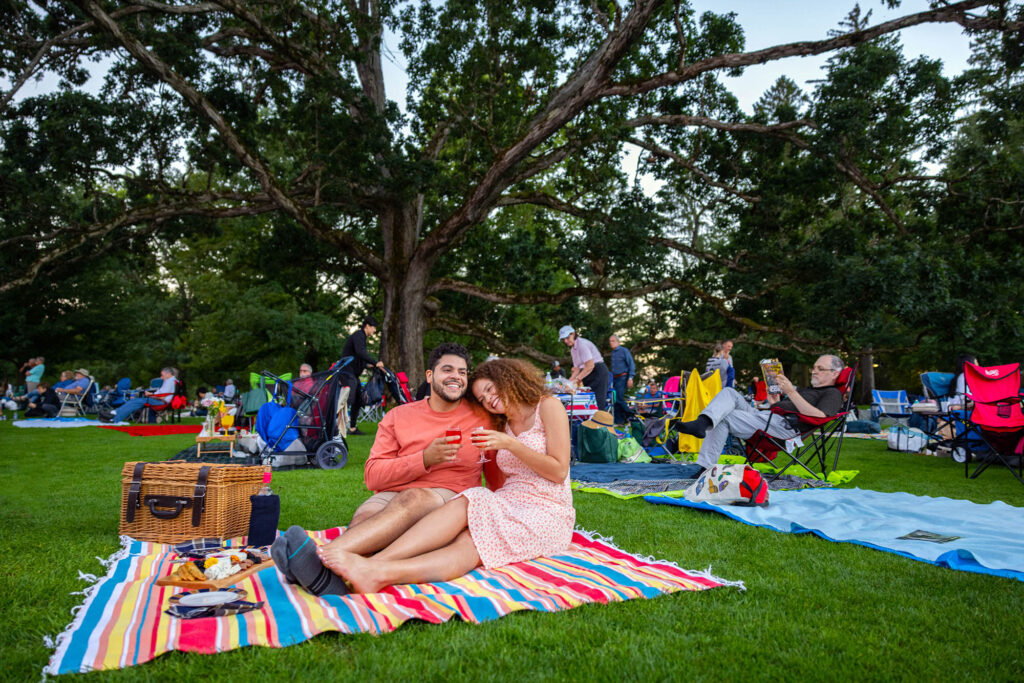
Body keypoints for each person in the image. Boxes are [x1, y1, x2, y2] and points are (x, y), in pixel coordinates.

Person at [285, 358, 574, 596]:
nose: (488, 399)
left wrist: (510, 445)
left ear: (507, 377)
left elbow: (559, 471)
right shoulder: (499, 422)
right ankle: (337, 568)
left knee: (473, 526)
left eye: (489, 389)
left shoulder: (547, 406)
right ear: (430, 375)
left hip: (547, 507)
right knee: (471, 522)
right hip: (510, 500)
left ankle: (369, 567)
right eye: (483, 397)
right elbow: (500, 481)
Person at [267, 343, 494, 595]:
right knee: (366, 520)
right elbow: (373, 476)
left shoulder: (482, 417)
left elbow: (498, 467)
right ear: (430, 376)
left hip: (449, 496)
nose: (456, 377)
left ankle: (323, 557)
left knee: (413, 498)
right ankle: (328, 580)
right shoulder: (399, 416)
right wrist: (424, 459)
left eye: (462, 372)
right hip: (394, 494)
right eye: (448, 369)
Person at [679, 354, 847, 471]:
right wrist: (774, 402)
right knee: (730, 393)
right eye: (814, 367)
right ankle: (702, 422)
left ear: (835, 373)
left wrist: (791, 392)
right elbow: (792, 407)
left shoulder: (832, 393)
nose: (814, 371)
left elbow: (820, 416)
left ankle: (704, 468)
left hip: (783, 429)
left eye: (820, 368)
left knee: (725, 417)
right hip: (769, 418)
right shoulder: (810, 390)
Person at [340, 316, 385, 436]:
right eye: (374, 328)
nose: (375, 331)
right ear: (367, 326)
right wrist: (376, 362)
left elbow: (358, 357)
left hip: (353, 374)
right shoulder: (359, 335)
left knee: (358, 400)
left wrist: (368, 365)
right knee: (348, 399)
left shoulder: (362, 338)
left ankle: (353, 428)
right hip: (346, 372)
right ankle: (333, 425)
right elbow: (360, 352)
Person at [559, 325, 610, 412]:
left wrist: (577, 379)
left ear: (574, 334)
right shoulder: (573, 350)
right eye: (564, 339)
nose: (566, 341)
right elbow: (577, 369)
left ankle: (601, 424)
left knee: (597, 402)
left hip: (598, 371)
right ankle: (586, 424)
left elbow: (590, 365)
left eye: (567, 337)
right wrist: (568, 382)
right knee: (586, 401)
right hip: (588, 372)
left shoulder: (582, 344)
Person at [102, 367, 177, 423]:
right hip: (159, 400)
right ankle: (115, 416)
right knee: (135, 401)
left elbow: (162, 396)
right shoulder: (172, 381)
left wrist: (150, 395)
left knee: (135, 402)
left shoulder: (170, 382)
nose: (161, 377)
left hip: (161, 402)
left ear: (169, 374)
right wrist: (151, 394)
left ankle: (115, 417)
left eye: (162, 375)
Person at [608, 334, 636, 426]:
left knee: (619, 398)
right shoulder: (613, 353)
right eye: (610, 341)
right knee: (615, 399)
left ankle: (633, 416)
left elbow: (631, 364)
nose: (611, 343)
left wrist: (630, 378)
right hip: (615, 378)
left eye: (613, 341)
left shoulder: (624, 351)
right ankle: (619, 421)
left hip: (623, 377)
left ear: (618, 342)